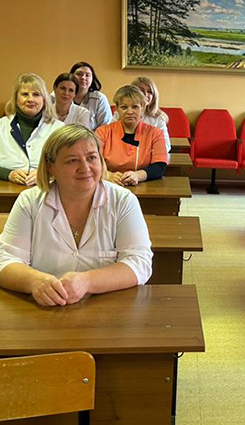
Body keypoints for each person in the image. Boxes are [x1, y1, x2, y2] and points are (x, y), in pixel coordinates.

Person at [0, 124, 153, 307]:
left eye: (92, 158)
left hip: (106, 308)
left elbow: (139, 262)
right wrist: (35, 281)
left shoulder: (123, 201)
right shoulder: (29, 202)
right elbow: (6, 260)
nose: (85, 168)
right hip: (44, 309)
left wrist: (87, 282)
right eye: (72, 160)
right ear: (50, 167)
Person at [96, 85, 168, 186]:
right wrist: (107, 175)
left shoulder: (155, 133)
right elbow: (93, 161)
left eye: (135, 107)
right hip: (109, 185)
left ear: (142, 108)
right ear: (117, 109)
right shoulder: (102, 132)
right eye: (124, 107)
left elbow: (160, 166)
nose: (129, 112)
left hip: (143, 185)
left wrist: (138, 175)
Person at [0, 73, 64, 186]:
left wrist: (46, 173)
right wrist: (7, 174)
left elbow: (68, 162)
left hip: (47, 189)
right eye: (25, 94)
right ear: (16, 99)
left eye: (36, 94)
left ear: (44, 100)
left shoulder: (59, 129)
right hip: (6, 190)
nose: (30, 99)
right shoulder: (1, 125)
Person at [112, 77, 171, 153]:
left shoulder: (158, 118)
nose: (146, 94)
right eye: (141, 91)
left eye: (149, 92)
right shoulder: (120, 113)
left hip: (149, 156)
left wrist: (145, 152)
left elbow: (165, 145)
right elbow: (110, 138)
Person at [70, 61, 112, 130]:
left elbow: (106, 127)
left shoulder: (99, 98)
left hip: (93, 136)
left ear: (92, 79)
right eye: (79, 74)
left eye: (87, 75)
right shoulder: (61, 95)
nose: (83, 77)